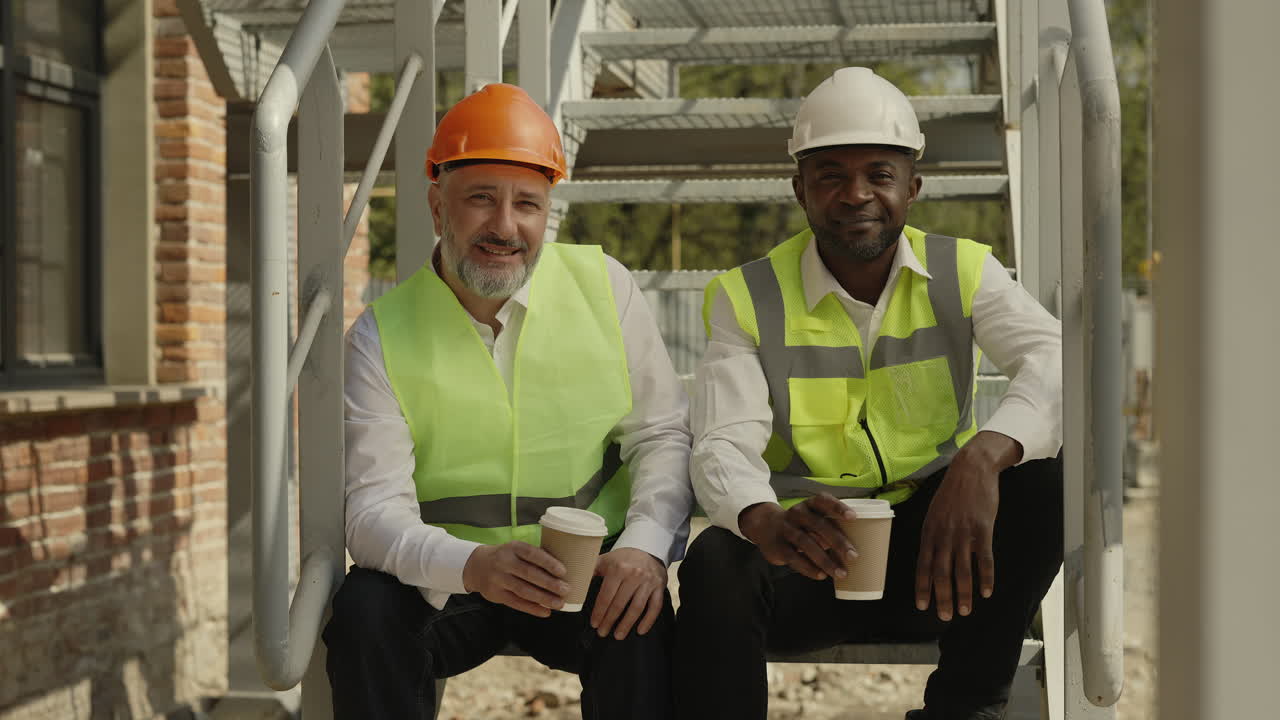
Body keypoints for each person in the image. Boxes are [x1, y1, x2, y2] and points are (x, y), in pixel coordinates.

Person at [673, 67, 1064, 720]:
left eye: (879, 174)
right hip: (807, 561)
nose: (856, 194)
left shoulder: (964, 270)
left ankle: (963, 712)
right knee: (716, 556)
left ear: (912, 187)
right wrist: (764, 520)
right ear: (800, 189)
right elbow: (721, 441)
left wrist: (983, 457)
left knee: (1045, 480)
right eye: (830, 175)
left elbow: (1058, 360)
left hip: (936, 564)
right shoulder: (746, 296)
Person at [323, 83, 694, 720]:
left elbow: (661, 433)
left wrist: (645, 545)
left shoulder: (606, 288)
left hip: (585, 572)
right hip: (449, 578)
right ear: (437, 206)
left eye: (527, 203)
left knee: (639, 614)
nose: (504, 226)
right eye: (480, 199)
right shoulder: (378, 337)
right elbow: (373, 512)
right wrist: (473, 566)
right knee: (364, 613)